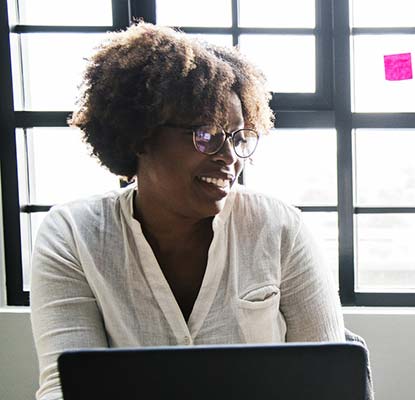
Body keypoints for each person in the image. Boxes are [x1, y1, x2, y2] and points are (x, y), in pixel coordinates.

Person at [29, 23, 345, 400]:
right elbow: (64, 388)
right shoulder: (71, 236)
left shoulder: (278, 228)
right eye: (206, 135)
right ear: (141, 135)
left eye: (238, 138)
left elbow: (331, 382)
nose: (229, 158)